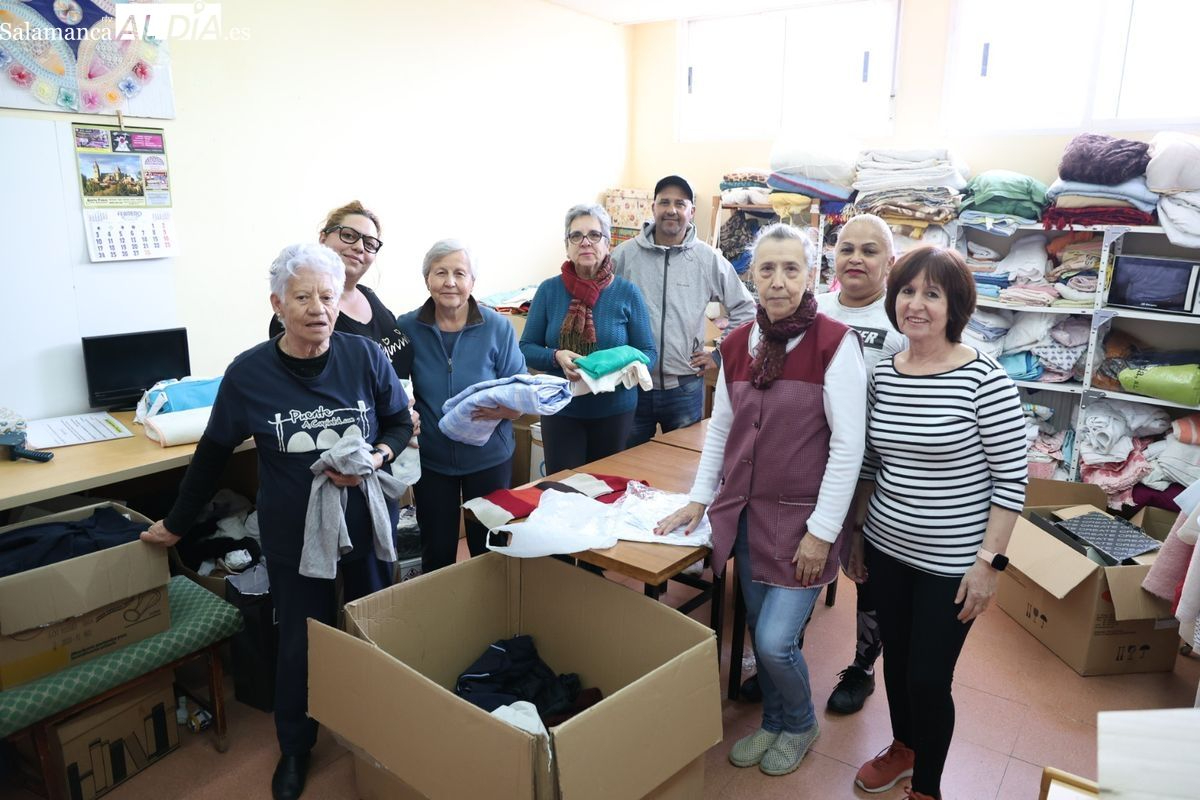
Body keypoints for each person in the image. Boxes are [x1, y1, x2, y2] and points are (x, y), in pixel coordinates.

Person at [141, 243, 413, 800]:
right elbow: (213, 454)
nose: (318, 308)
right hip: (295, 535)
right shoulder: (249, 374)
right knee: (301, 643)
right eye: (303, 296)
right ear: (278, 303)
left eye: (328, 297)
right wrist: (175, 522)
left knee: (373, 631)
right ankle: (295, 746)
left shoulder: (365, 357)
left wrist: (379, 456)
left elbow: (397, 423)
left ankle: (380, 727)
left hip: (364, 523)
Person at [656, 223, 866, 778]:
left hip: (802, 525)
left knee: (775, 642)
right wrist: (700, 501)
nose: (778, 282)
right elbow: (720, 430)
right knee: (755, 630)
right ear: (751, 276)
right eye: (767, 269)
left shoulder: (835, 343)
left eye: (790, 269)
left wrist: (824, 531)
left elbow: (848, 446)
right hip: (745, 517)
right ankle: (773, 721)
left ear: (810, 275)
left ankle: (799, 722)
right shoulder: (736, 344)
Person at [850, 247, 1026, 800]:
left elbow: (1011, 480)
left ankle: (927, 786)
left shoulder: (985, 379)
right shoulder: (884, 374)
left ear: (956, 306)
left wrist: (989, 564)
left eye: (932, 293)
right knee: (897, 665)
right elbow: (871, 465)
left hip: (952, 563)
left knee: (928, 676)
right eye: (906, 291)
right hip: (885, 547)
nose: (916, 304)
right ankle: (905, 749)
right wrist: (856, 535)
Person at [815, 214, 907, 715]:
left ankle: (863, 666)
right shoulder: (816, 311)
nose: (855, 258)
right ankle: (781, 653)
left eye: (869, 251)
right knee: (802, 554)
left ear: (889, 263)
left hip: (875, 473)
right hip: (813, 463)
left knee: (866, 570)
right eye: (846, 248)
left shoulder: (902, 323)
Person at [398, 240, 526, 573]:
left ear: (472, 282)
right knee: (436, 549)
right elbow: (395, 388)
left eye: (459, 273)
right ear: (427, 279)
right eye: (441, 272)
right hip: (432, 460)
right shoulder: (407, 327)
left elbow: (521, 392)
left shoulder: (497, 327)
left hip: (489, 457)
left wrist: (502, 411)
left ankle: (495, 615)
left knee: (491, 548)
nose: (450, 282)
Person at [612, 175, 756, 447]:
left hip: (685, 388)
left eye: (680, 203)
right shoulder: (624, 255)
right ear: (653, 208)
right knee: (626, 465)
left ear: (691, 211)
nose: (672, 210)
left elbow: (746, 309)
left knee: (682, 469)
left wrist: (720, 354)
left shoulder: (707, 257)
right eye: (664, 202)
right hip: (632, 385)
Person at [519, 204, 656, 472]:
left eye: (594, 235)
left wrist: (614, 366)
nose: (585, 243)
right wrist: (555, 356)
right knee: (564, 490)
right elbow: (525, 348)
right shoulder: (548, 291)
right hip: (560, 408)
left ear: (607, 244)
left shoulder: (628, 292)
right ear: (567, 246)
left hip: (615, 411)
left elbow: (648, 353)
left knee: (606, 491)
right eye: (576, 236)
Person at [269, 200, 413, 380]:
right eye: (348, 235)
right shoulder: (298, 313)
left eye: (370, 243)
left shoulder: (368, 295)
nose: (359, 247)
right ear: (323, 238)